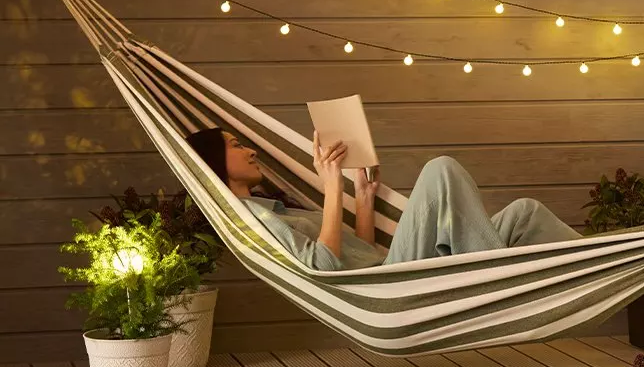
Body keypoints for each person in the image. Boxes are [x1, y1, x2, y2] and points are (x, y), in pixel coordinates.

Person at [184, 128, 581, 271]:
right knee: (440, 169)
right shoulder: (253, 220)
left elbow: (361, 252)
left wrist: (363, 196)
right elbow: (322, 265)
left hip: (385, 268)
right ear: (215, 163)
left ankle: (604, 259)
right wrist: (332, 183)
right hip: (388, 287)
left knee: (524, 213)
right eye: (236, 146)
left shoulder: (278, 210)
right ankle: (491, 275)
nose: (251, 150)